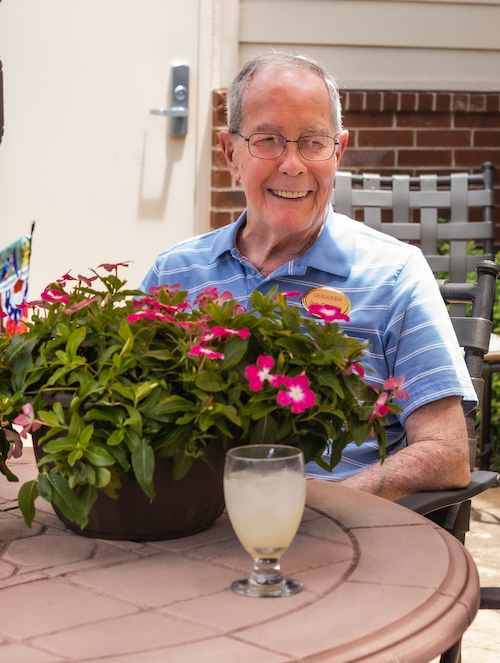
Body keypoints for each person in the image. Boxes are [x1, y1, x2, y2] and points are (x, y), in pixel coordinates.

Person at [139, 51, 475, 501]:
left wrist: (312, 507)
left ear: (338, 152)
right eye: (269, 139)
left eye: (313, 142)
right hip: (194, 527)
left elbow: (447, 453)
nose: (292, 164)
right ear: (230, 153)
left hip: (340, 535)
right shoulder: (175, 274)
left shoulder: (394, 274)